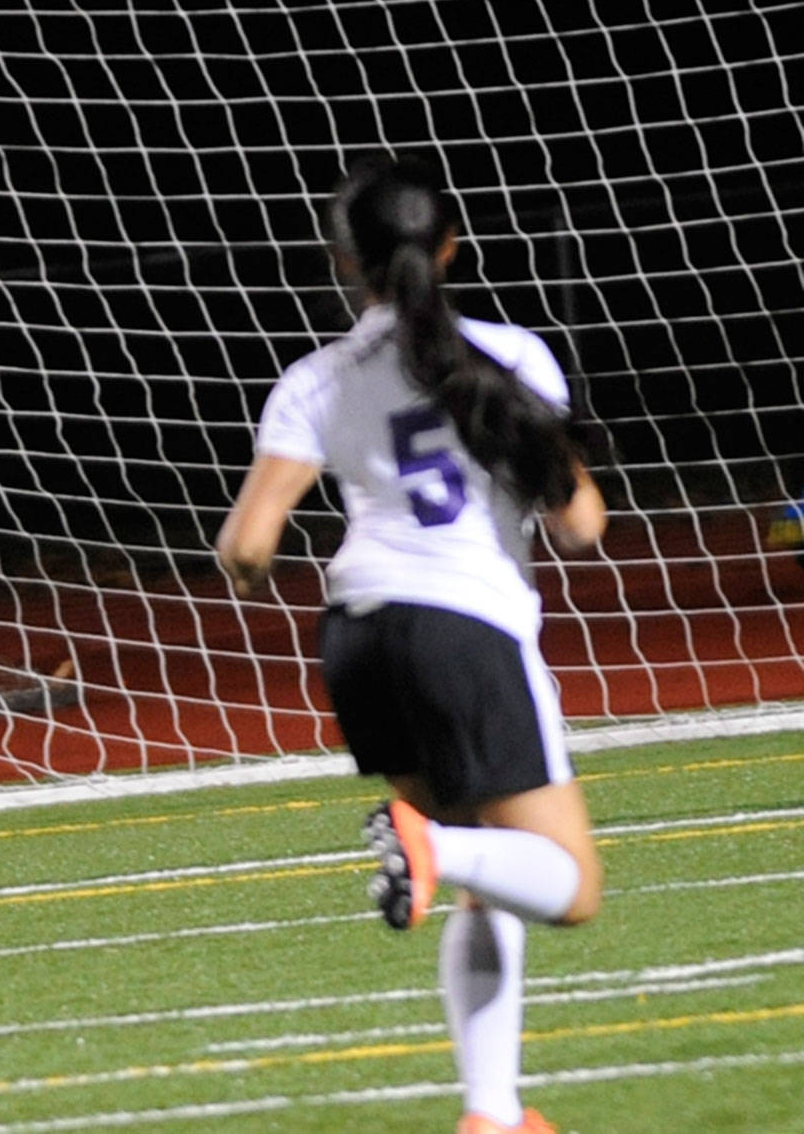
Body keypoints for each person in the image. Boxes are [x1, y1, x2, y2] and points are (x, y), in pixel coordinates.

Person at [215, 154, 608, 1134]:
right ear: (450, 245)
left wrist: (262, 572)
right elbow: (581, 527)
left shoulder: (314, 379)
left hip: (358, 637)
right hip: (464, 629)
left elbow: (247, 547)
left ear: (340, 260)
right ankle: (424, 846)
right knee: (567, 884)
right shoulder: (509, 357)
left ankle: (489, 1112)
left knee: (481, 873)